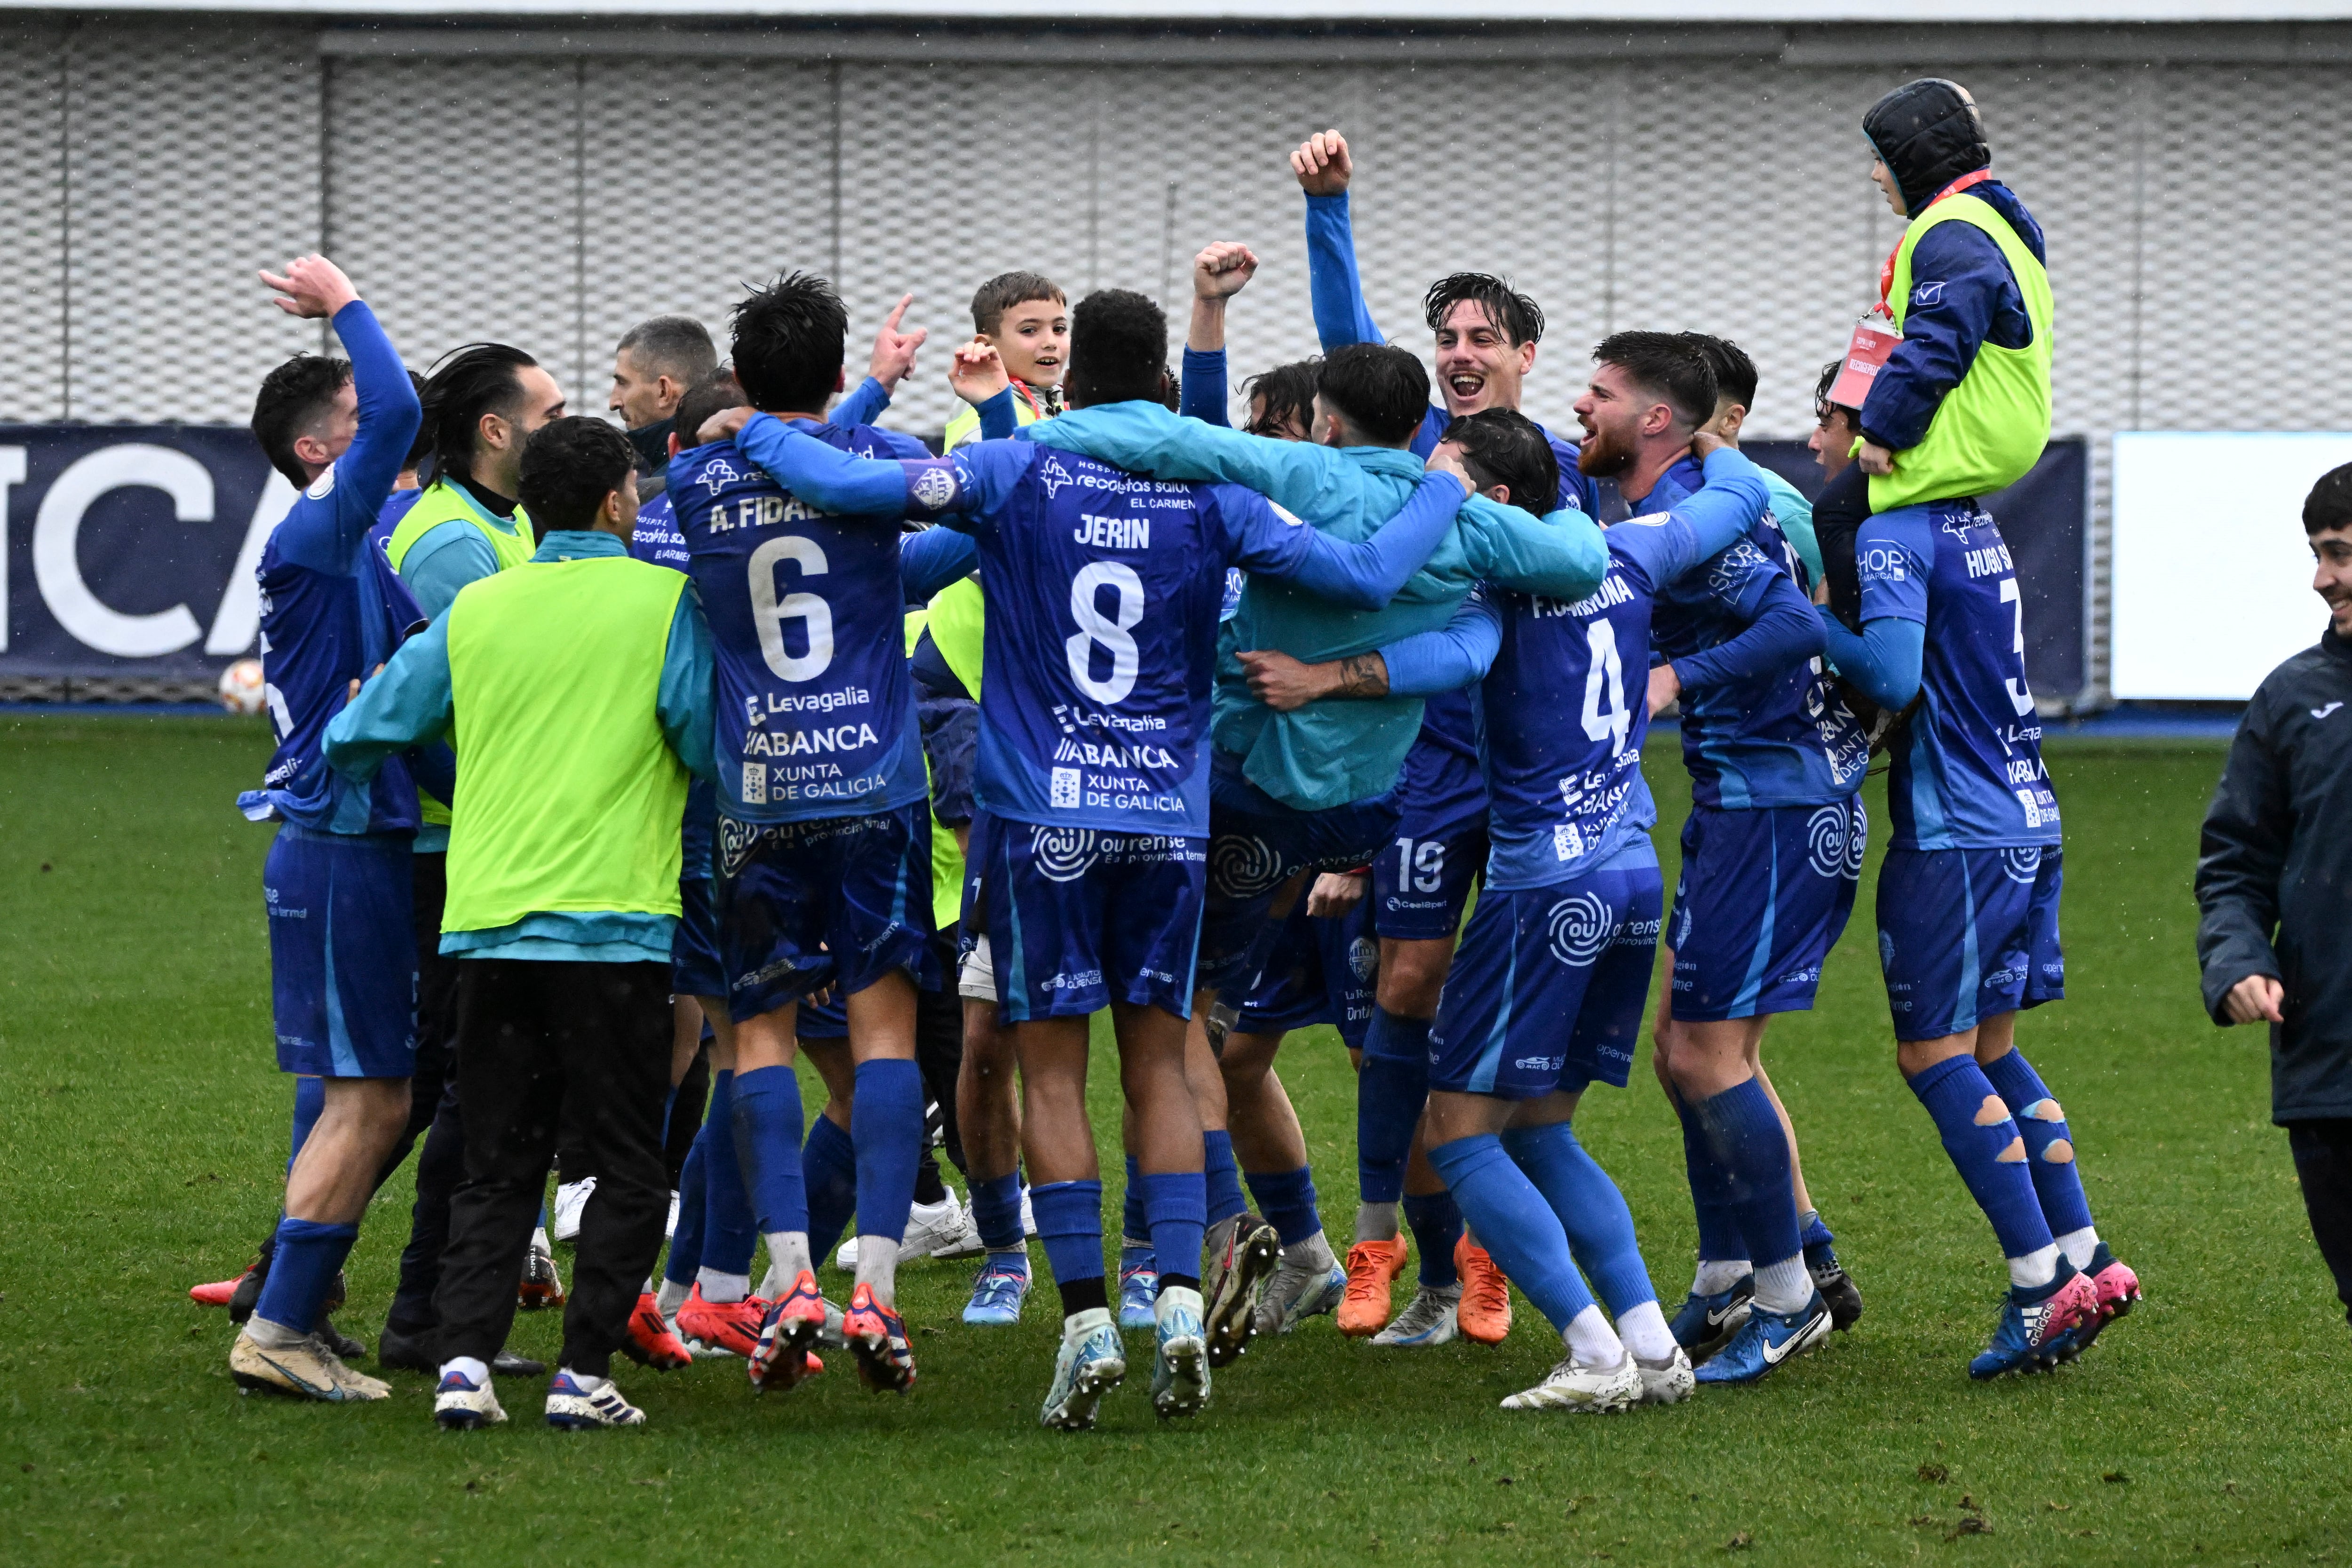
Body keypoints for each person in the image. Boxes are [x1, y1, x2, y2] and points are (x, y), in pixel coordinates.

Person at [717, 287, 1490, 1429]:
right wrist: (1442, 488)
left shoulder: (1017, 467)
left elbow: (849, 492)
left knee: (1050, 1071)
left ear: (1070, 381)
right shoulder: (1211, 489)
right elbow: (1367, 579)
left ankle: (1085, 1324)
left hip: (1044, 820)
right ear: (1167, 394)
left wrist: (756, 431)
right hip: (1169, 824)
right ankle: (1178, 1302)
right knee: (1163, 1063)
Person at [1025, 340, 1612, 1366]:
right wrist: (1507, 500)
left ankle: (1202, 1240)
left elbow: (1165, 436)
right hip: (1356, 822)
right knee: (1266, 1040)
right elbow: (1576, 564)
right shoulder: (1469, 518)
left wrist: (1033, 424)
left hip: (1241, 798)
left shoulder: (1302, 474)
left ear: (1323, 419)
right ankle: (1323, 1247)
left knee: (1178, 1029)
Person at [1257, 417, 1778, 1410]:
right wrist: (1718, 437)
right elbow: (1738, 500)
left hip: (1545, 888)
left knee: (1457, 1133)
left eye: (1448, 487)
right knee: (1539, 1130)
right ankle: (1652, 1349)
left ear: (1495, 507)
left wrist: (1325, 677)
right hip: (1631, 873)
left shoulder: (1492, 595)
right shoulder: (1630, 547)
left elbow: (1437, 663)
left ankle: (1590, 1353)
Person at [1813, 76, 2137, 1380]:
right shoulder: (1980, 521)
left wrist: (1796, 627)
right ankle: (2088, 1254)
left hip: (1953, 832)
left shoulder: (1898, 515)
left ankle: (2034, 1280)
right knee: (1998, 1047)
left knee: (1933, 1052)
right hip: (2028, 813)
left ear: (1906, 159)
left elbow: (1889, 673)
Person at [325, 415, 717, 1432]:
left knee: (498, 1161)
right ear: (618, 503)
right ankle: (583, 1374)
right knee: (630, 1162)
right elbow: (702, 738)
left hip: (488, 928)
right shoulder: (665, 600)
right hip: (614, 928)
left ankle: (462, 1364)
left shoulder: (478, 609)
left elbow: (360, 734)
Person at [665, 273, 977, 1400]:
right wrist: (872, 403)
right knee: (885, 1038)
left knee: (755, 1038)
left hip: (757, 794)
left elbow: (774, 471)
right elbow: (859, 488)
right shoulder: (877, 470)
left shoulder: (694, 479)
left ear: (742, 379)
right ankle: (877, 1291)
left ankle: (786, 1279)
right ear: (838, 372)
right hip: (877, 788)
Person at [1606, 331, 1871, 1379]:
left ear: (1659, 418)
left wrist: (1675, 677)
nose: (1586, 407)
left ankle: (1791, 1289)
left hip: (1779, 806)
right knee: (1680, 1048)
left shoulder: (1718, 505)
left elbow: (1793, 623)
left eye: (1601, 391)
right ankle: (1727, 1273)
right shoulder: (1679, 501)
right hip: (1739, 802)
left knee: (1713, 1055)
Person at [222, 254, 425, 1404]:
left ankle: (295, 1299)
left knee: (344, 1087)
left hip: (355, 842)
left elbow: (423, 696)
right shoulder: (315, 533)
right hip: (338, 842)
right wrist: (347, 301)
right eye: (345, 419)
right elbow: (395, 408)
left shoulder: (357, 556)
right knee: (375, 1098)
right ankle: (282, 1326)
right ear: (318, 451)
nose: (378, 422)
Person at [2196, 464, 2352, 1332]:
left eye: (2340, 554)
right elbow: (2234, 862)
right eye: (2318, 554)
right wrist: (2238, 960)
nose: (2322, 577)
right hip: (2332, 1065)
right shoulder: (2292, 699)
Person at [1290, 128, 1596, 513]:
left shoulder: (1568, 462)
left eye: (1482, 339)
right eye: (1447, 341)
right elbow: (1352, 344)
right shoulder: (1414, 434)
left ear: (1526, 356)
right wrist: (1327, 206)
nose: (1460, 355)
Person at [941, 271, 1067, 449]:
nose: (1051, 343)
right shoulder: (980, 405)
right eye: (1029, 330)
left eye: (1059, 328)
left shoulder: (1070, 401)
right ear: (986, 346)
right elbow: (990, 471)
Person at [607, 315, 719, 489]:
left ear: (664, 391)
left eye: (622, 383)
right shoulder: (739, 463)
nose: (613, 402)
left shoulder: (662, 492)